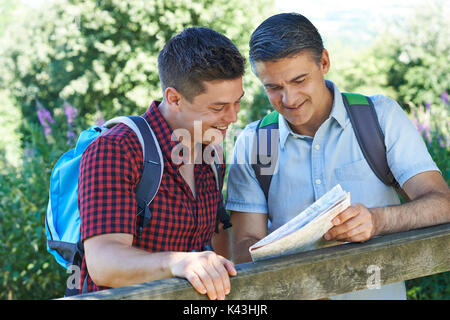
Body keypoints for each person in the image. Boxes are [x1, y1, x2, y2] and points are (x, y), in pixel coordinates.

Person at [225, 13, 450, 299]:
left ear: (324, 63)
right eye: (274, 88)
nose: (290, 99)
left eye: (299, 80)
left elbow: (442, 204)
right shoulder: (255, 143)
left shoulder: (380, 118)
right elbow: (245, 245)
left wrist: (377, 221)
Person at [78, 26, 246, 300]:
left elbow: (213, 242)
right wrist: (178, 262)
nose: (233, 117)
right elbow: (103, 263)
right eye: (217, 108)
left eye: (237, 102)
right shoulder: (116, 149)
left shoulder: (212, 152)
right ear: (174, 98)